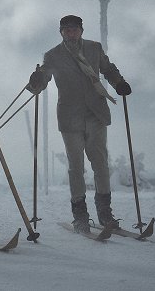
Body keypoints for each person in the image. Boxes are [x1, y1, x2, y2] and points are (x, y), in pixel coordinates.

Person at [27, 15, 132, 233]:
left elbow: (108, 68)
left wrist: (119, 82)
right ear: (61, 32)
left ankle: (105, 214)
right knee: (76, 167)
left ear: (81, 31)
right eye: (66, 30)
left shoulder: (94, 48)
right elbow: (45, 75)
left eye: (74, 29)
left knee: (100, 163)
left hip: (96, 114)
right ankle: (80, 216)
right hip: (70, 117)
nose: (71, 33)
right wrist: (37, 81)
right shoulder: (53, 55)